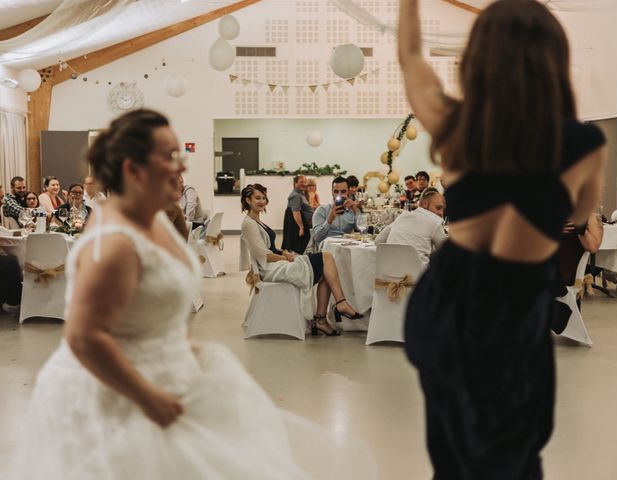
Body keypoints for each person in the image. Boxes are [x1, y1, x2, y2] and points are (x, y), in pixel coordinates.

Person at [12, 109, 374, 479]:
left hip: (165, 369)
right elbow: (84, 338)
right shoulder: (111, 241)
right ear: (132, 168)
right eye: (169, 157)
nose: (181, 167)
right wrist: (148, 398)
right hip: (117, 395)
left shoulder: (157, 221)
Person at [399, 0, 606, 477]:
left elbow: (411, 58)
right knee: (513, 451)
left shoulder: (457, 127)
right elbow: (578, 216)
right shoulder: (581, 145)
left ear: (478, 59)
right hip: (513, 303)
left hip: (450, 297)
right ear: (552, 60)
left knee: (450, 448)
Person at [241, 183, 363, 334]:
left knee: (327, 269)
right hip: (270, 269)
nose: (261, 201)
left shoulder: (257, 221)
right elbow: (263, 255)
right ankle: (340, 304)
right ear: (248, 200)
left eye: (264, 198)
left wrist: (283, 252)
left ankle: (321, 320)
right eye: (257, 198)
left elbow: (268, 249)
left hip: (276, 263)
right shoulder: (249, 224)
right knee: (326, 258)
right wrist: (285, 258)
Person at [376, 189, 447, 266]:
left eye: (443, 210)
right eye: (438, 207)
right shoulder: (435, 221)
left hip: (388, 273)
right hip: (418, 276)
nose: (441, 213)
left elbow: (378, 241)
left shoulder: (402, 217)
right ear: (424, 204)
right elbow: (447, 252)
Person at [312, 176, 361, 245]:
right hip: (328, 249)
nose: (339, 195)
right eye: (336, 191)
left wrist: (355, 210)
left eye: (343, 191)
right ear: (332, 192)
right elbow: (317, 238)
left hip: (347, 247)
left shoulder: (352, 211)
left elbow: (364, 232)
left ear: (348, 192)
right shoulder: (322, 210)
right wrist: (329, 220)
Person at [282, 175, 314, 254]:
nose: (304, 184)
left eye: (305, 182)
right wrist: (301, 227)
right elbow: (295, 211)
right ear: (295, 183)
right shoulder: (295, 196)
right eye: (301, 182)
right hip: (296, 227)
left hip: (302, 224)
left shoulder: (300, 194)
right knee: (297, 248)